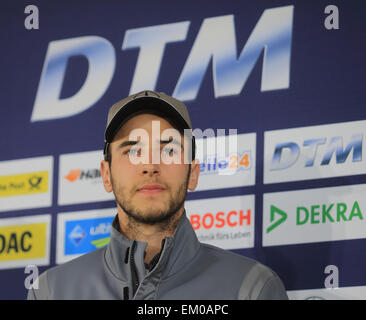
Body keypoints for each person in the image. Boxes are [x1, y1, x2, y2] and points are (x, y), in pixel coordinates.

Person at [27, 90, 288, 300]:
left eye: (169, 150)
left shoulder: (252, 289)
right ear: (106, 175)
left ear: (193, 173)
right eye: (132, 151)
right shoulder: (52, 291)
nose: (150, 165)